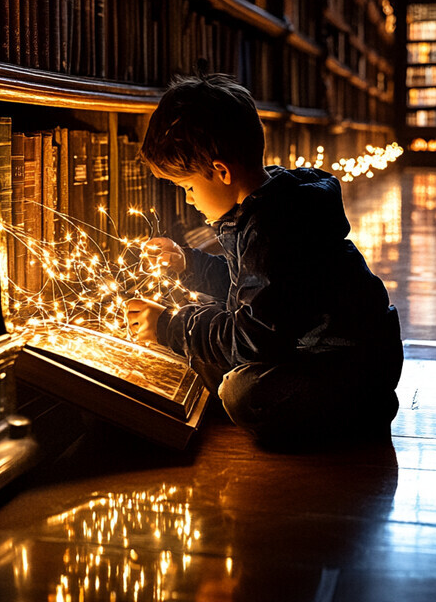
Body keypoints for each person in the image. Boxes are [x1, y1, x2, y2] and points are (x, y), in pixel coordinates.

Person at [126, 73, 403, 449]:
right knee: (213, 332)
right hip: (327, 351)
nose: (189, 200)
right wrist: (188, 265)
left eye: (189, 188)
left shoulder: (273, 227)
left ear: (221, 172)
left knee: (242, 393)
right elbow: (254, 289)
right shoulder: (270, 203)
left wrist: (171, 327)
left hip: (347, 368)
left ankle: (356, 411)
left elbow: (254, 335)